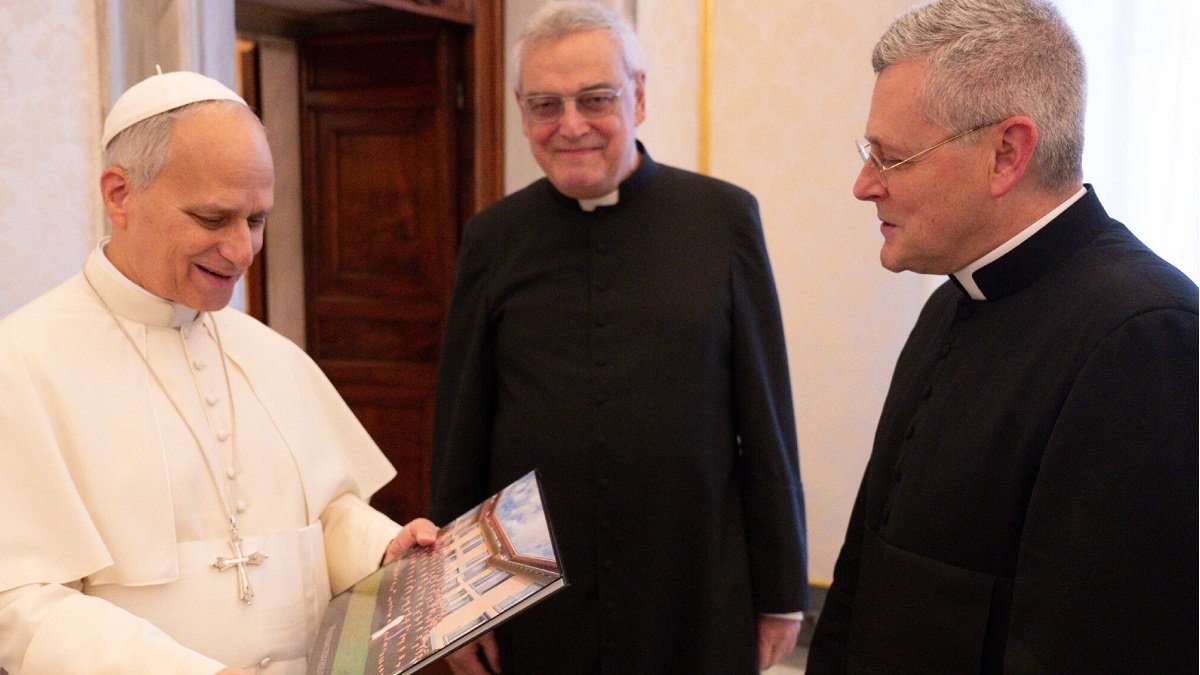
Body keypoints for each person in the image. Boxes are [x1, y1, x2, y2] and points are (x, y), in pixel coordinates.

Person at [806, 0, 1199, 672]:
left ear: (1006, 152)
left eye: (890, 157)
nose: (864, 184)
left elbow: (1096, 647)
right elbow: (863, 580)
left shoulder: (1147, 337)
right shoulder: (949, 301)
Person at [0, 71, 437, 674]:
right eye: (212, 219)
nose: (242, 251)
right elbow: (19, 604)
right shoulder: (20, 363)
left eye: (255, 220)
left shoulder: (270, 354)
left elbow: (322, 515)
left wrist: (380, 548)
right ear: (119, 194)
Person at [427, 2, 808, 673]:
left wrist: (780, 591)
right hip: (535, 592)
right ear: (521, 112)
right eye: (545, 104)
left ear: (637, 95)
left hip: (688, 577)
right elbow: (462, 431)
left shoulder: (722, 220)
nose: (570, 125)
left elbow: (767, 420)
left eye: (595, 98)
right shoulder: (493, 239)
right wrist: (457, 603)